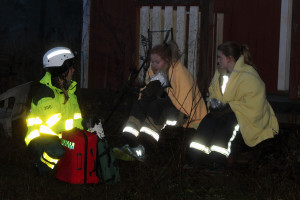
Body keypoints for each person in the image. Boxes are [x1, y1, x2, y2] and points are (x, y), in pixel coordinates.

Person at [187, 41, 279, 168]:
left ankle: (217, 160)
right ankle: (195, 157)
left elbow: (254, 101)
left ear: (230, 58)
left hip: (243, 115)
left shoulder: (248, 74)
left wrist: (230, 107)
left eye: (220, 57)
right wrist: (215, 103)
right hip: (224, 113)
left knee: (227, 125)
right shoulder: (220, 74)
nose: (217, 61)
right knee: (208, 121)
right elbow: (214, 92)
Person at [114, 40, 207, 162]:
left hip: (186, 114)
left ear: (167, 61)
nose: (153, 65)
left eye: (157, 62)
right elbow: (147, 91)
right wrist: (149, 91)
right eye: (152, 62)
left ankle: (145, 147)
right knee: (141, 102)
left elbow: (185, 104)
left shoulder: (180, 73)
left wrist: (165, 89)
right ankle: (130, 140)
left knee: (156, 107)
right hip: (168, 105)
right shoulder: (154, 71)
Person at [25, 47, 94, 175]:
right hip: (40, 137)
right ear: (62, 71)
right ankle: (39, 167)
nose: (73, 70)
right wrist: (83, 124)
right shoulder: (45, 95)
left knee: (88, 143)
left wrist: (90, 128)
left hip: (61, 136)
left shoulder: (70, 92)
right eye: (70, 68)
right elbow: (55, 126)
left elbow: (76, 118)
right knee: (57, 151)